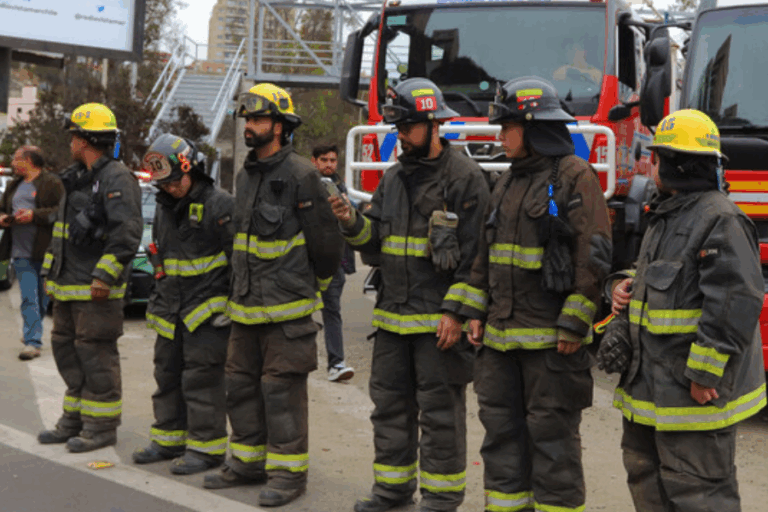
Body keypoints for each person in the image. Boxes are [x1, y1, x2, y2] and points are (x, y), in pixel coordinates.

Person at [451, 76, 612, 512]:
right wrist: (475, 312)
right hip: (500, 344)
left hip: (550, 348)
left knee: (552, 443)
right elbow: (483, 257)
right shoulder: (505, 183)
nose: (500, 136)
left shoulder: (575, 177)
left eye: (507, 127)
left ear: (534, 125)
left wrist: (575, 322)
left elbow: (593, 258)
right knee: (500, 438)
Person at [329, 77, 490, 512]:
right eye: (397, 127)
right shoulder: (395, 177)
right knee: (389, 409)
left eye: (407, 127)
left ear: (434, 124)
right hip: (392, 321)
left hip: (439, 326)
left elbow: (477, 260)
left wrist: (456, 314)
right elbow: (376, 242)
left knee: (440, 417)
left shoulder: (466, 178)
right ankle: (393, 490)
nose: (400, 136)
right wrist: (349, 222)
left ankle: (440, 498)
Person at [600, 109, 766, 512]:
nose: (652, 165)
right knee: (648, 481)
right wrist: (622, 284)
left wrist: (706, 371)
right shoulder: (667, 215)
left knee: (699, 495)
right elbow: (658, 273)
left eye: (657, 158)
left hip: (692, 397)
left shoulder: (720, 219)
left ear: (673, 163)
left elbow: (736, 299)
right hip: (649, 394)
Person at [202, 83, 344, 507]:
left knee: (281, 393)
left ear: (281, 127)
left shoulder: (303, 176)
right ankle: (247, 462)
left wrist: (307, 291)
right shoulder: (245, 175)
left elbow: (327, 246)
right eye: (247, 119)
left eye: (259, 119)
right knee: (239, 386)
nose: (251, 126)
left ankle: (287, 475)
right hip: (245, 308)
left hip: (287, 312)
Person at [37, 103, 143, 453]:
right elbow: (61, 234)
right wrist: (50, 274)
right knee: (67, 352)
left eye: (74, 135)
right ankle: (74, 420)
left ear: (87, 139)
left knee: (96, 357)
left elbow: (126, 234)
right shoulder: (75, 178)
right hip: (68, 287)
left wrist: (104, 277)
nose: (70, 141)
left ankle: (100, 428)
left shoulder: (116, 178)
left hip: (96, 291)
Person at [131, 134, 234, 475]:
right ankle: (168, 440)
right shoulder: (164, 206)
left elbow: (239, 262)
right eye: (164, 183)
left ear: (192, 169)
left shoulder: (220, 205)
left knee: (202, 380)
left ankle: (206, 450)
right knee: (167, 375)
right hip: (171, 311)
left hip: (207, 313)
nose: (171, 187)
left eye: (175, 180)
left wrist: (230, 308)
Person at [0, 146, 64, 360]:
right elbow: (2, 208)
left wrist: (34, 215)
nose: (13, 163)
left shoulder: (51, 183)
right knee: (28, 297)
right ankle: (32, 341)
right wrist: (3, 217)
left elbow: (61, 211)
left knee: (42, 297)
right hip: (20, 250)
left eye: (16, 159)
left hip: (45, 251)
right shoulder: (13, 185)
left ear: (28, 160)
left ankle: (32, 328)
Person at [311, 143, 355, 382]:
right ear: (314, 161)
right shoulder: (306, 185)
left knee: (332, 311)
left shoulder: (340, 186)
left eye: (332, 160)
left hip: (335, 259)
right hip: (307, 260)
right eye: (324, 160)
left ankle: (336, 364)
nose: (329, 164)